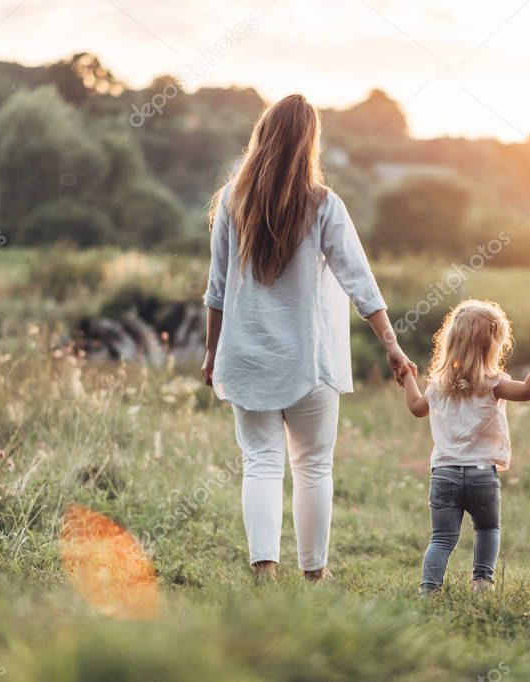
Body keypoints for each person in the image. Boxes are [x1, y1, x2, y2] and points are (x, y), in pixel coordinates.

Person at [201, 94, 413, 583]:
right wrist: (391, 344)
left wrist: (212, 353)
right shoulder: (323, 205)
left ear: (263, 137)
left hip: (248, 357)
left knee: (260, 462)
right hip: (310, 361)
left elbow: (216, 289)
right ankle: (315, 575)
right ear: (309, 144)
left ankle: (264, 572)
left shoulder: (233, 200)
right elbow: (360, 280)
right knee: (314, 466)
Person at [400, 300, 530, 593]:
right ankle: (482, 581)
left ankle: (428, 589)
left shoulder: (437, 386)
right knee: (487, 529)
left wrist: (408, 377)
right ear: (492, 344)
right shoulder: (493, 383)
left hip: (443, 474)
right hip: (482, 475)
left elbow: (416, 408)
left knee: (441, 538)